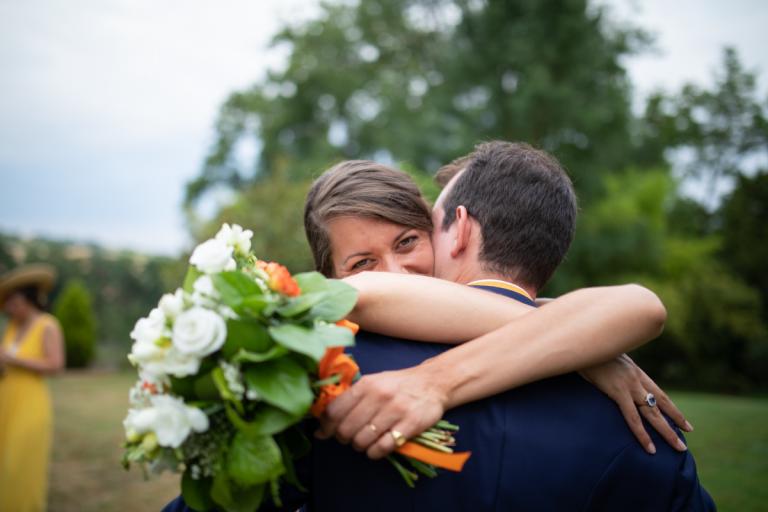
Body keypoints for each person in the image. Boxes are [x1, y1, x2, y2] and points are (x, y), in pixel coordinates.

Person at [165, 144, 713, 511]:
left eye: (408, 241)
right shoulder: (312, 372)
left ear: (453, 232)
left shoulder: (320, 379)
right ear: (327, 280)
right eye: (361, 262)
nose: (397, 273)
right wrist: (587, 345)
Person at [0, 263, 66, 512]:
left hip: (30, 402)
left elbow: (56, 366)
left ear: (27, 300)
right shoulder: (12, 327)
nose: (9, 308)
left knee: (20, 462)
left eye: (13, 302)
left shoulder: (48, 325)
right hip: (6, 398)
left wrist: (13, 359)